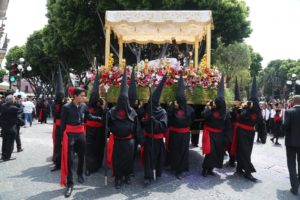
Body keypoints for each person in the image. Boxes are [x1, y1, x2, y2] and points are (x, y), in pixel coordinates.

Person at [107, 68, 143, 189]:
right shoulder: (112, 111)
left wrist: (141, 141)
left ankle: (127, 176)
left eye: (125, 100)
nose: (123, 102)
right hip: (117, 141)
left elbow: (137, 128)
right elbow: (108, 124)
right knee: (117, 161)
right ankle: (118, 178)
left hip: (129, 141)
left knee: (128, 159)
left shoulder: (132, 112)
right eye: (121, 100)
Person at [231, 76, 261, 182]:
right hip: (242, 132)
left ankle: (239, 167)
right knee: (245, 151)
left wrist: (263, 136)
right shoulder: (245, 110)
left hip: (251, 133)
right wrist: (246, 108)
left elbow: (261, 122)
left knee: (246, 151)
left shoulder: (257, 111)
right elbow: (240, 118)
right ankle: (248, 173)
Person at [139, 75, 168, 186]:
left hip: (158, 140)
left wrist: (154, 121)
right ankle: (147, 176)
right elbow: (141, 119)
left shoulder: (162, 112)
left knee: (157, 157)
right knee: (148, 158)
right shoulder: (148, 108)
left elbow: (164, 126)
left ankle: (157, 173)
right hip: (148, 138)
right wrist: (145, 120)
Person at [201, 76, 232, 176]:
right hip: (210, 134)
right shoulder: (211, 109)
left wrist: (227, 138)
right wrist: (208, 107)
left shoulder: (226, 113)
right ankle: (205, 168)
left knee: (218, 154)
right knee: (211, 152)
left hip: (220, 136)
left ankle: (211, 169)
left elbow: (228, 126)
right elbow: (204, 115)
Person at [60, 87, 86, 198]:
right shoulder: (66, 107)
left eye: (84, 95)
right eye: (82, 95)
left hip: (81, 134)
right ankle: (70, 184)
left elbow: (88, 117)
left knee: (81, 156)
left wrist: (101, 117)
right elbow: (62, 124)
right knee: (70, 160)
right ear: (75, 96)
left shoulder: (84, 106)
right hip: (70, 135)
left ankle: (80, 174)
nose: (84, 97)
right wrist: (62, 139)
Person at [167, 73, 194, 179]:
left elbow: (192, 120)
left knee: (183, 151)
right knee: (174, 150)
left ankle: (180, 169)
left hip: (184, 134)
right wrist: (171, 107)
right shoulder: (173, 108)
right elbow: (169, 118)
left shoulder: (190, 109)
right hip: (175, 133)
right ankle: (174, 166)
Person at [84, 71, 105, 176]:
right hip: (89, 130)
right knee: (89, 148)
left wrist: (102, 108)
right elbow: (86, 117)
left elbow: (105, 118)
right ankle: (88, 167)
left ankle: (97, 165)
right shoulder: (87, 107)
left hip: (99, 131)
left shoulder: (101, 107)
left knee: (98, 147)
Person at [283, 95, 300, 195]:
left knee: (291, 164)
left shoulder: (289, 112)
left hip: (291, 143)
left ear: (294, 101)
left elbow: (285, 126)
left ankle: (294, 187)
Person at [51, 66, 65, 172]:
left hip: (64, 127)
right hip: (57, 126)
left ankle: (64, 161)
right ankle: (57, 162)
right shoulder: (54, 104)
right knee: (57, 145)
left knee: (64, 145)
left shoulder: (66, 105)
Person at [0, 95, 22, 161]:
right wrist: (18, 103)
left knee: (4, 141)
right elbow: (21, 110)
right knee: (10, 143)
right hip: (11, 127)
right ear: (12, 100)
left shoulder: (2, 106)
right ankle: (7, 157)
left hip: (4, 126)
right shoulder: (13, 108)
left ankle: (3, 155)